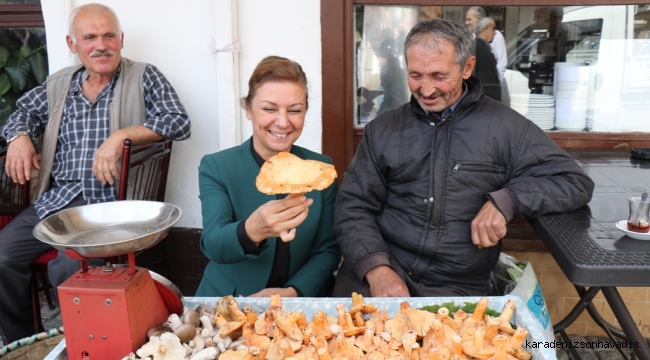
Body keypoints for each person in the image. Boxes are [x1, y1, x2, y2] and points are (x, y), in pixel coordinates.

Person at [332, 18, 594, 298]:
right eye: (416, 75)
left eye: (439, 76)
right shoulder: (383, 129)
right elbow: (353, 207)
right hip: (379, 271)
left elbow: (574, 182)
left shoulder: (505, 127)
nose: (427, 89)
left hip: (458, 284)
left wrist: (508, 200)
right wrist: (377, 270)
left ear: (467, 67)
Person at [0, 3, 191, 343]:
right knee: (2, 254)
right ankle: (28, 341)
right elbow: (22, 113)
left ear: (121, 39)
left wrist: (121, 136)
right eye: (89, 37)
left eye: (108, 36)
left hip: (112, 205)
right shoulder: (60, 84)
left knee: (67, 266)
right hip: (58, 201)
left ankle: (77, 340)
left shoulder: (143, 75)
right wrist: (18, 138)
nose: (100, 45)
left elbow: (177, 120)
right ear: (73, 44)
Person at [195, 56, 340, 298]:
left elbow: (328, 250)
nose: (283, 122)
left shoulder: (321, 170)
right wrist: (251, 230)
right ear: (248, 109)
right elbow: (213, 244)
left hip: (301, 303)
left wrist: (293, 294)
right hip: (231, 298)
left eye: (294, 110)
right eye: (269, 109)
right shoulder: (217, 166)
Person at [466, 6, 507, 82]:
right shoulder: (471, 36)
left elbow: (501, 62)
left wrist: (495, 83)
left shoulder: (495, 35)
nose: (467, 22)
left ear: (479, 18)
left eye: (469, 19)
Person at [473, 17, 502, 101]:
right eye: (493, 29)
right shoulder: (479, 46)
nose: (495, 33)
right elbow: (486, 78)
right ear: (484, 31)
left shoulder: (483, 46)